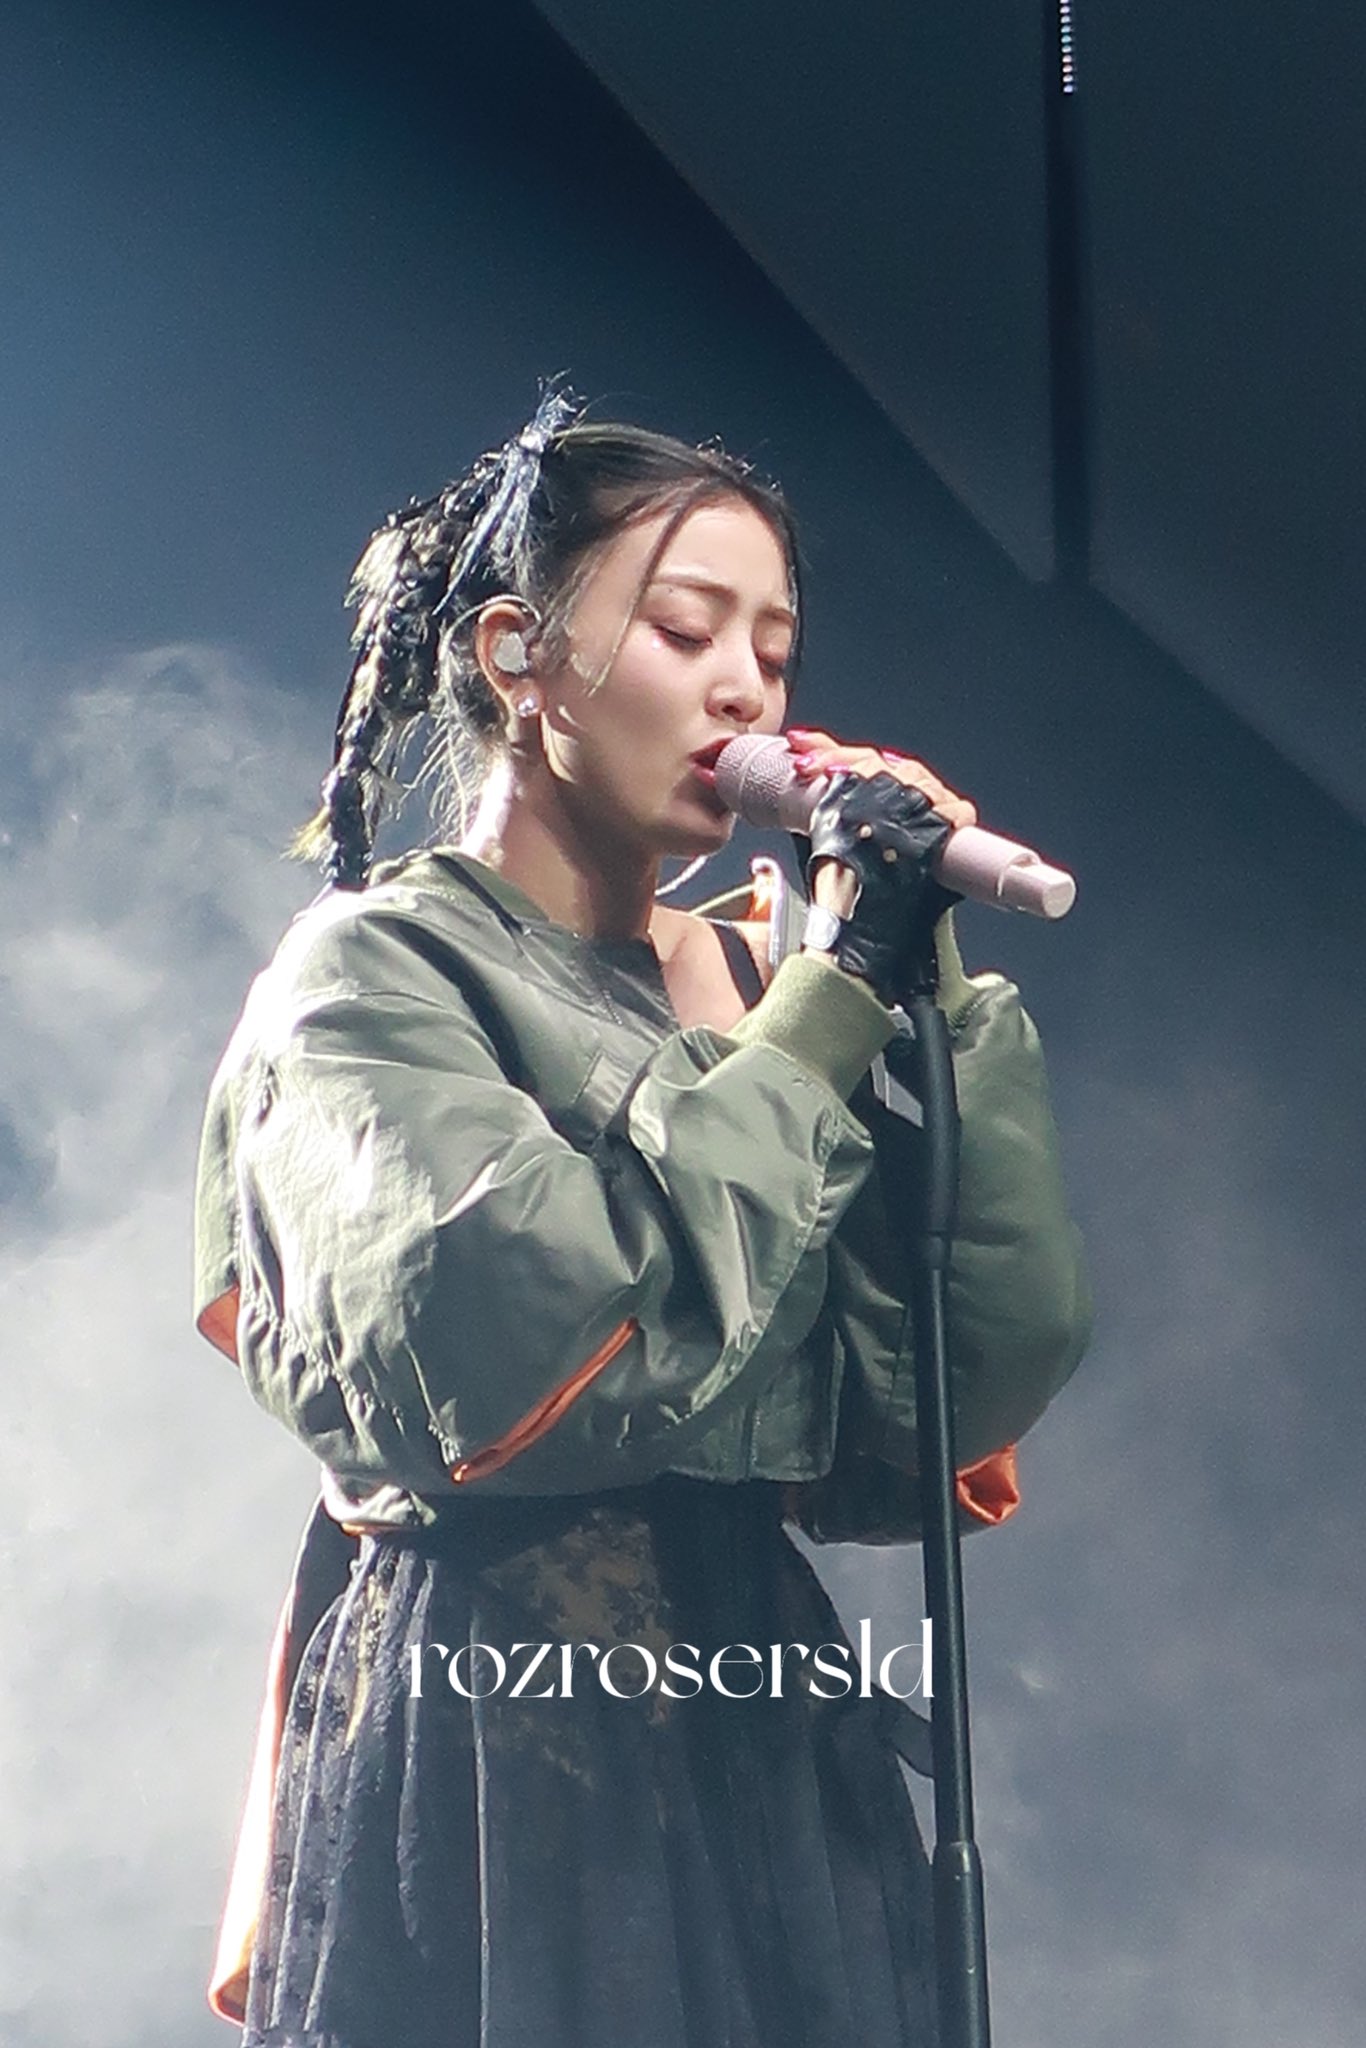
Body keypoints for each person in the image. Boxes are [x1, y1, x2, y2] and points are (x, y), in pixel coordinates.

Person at [193, 383, 1090, 2048]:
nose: (743, 684)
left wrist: (926, 989)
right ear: (517, 657)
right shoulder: (376, 976)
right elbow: (541, 1347)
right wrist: (816, 1019)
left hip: (760, 1711)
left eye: (772, 647)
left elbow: (944, 1395)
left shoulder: (764, 979)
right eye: (686, 630)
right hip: (511, 1721)